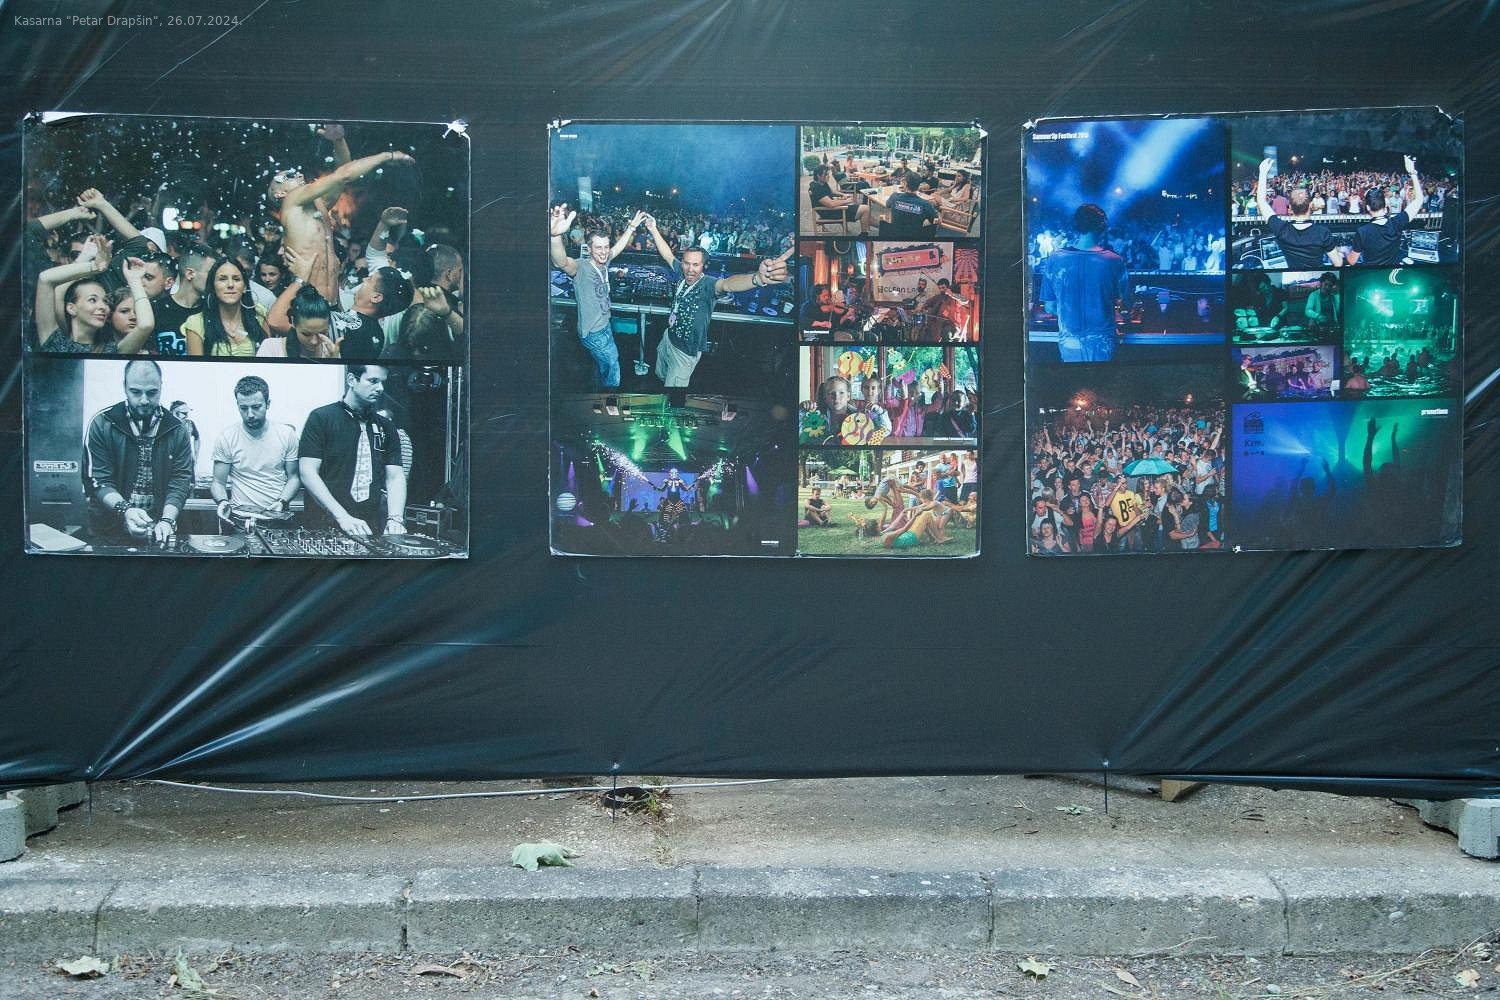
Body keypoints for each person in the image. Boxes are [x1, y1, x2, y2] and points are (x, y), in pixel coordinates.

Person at [268, 123, 414, 304]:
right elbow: (343, 175)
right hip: (309, 306)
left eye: (296, 172)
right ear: (280, 193)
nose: (297, 174)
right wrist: (387, 155)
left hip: (332, 303)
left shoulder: (318, 205)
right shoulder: (290, 202)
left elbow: (344, 170)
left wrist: (338, 141)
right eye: (289, 176)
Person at [644, 215, 791, 387]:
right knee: (660, 375)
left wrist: (757, 278)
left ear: (703, 266)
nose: (690, 269)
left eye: (696, 265)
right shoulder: (681, 272)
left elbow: (727, 284)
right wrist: (653, 229)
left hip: (684, 353)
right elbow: (668, 255)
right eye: (686, 263)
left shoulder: (708, 284)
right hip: (668, 339)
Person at [82, 360, 195, 545]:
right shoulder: (102, 423)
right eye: (135, 392)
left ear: (161, 387)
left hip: (159, 527)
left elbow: (181, 479)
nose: (144, 400)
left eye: (152, 393)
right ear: (124, 387)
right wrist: (126, 510)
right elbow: (98, 480)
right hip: (109, 531)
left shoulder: (177, 429)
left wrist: (167, 520)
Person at [298, 365, 408, 537]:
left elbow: (395, 476)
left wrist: (395, 519)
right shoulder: (321, 418)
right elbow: (308, 472)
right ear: (351, 380)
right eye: (373, 381)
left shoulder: (386, 426)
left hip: (370, 525)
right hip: (325, 523)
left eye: (382, 382)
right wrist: (342, 516)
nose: (380, 388)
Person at [548, 205, 648, 388]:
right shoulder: (581, 267)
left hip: (604, 326)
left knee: (602, 365)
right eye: (598, 248)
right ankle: (609, 397)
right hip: (593, 332)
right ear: (589, 249)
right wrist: (555, 237)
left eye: (605, 247)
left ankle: (598, 386)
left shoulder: (604, 260)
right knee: (612, 366)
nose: (603, 251)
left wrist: (632, 227)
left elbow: (618, 247)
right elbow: (561, 262)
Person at [1040, 204, 1130, 362]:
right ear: (1102, 226)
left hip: (1070, 343)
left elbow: (1050, 307)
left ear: (1077, 225)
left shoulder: (1054, 259)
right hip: (1103, 344)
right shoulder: (1114, 261)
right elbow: (1126, 301)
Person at [34, 243, 154, 355]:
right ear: (71, 308)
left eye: (105, 301)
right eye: (92, 300)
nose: (103, 307)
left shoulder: (112, 351)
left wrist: (135, 280)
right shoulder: (55, 342)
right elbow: (45, 279)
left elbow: (146, 325)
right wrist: (94, 266)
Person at [210, 375, 301, 519]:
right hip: (239, 519)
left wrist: (282, 502)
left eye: (256, 407)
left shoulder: (287, 434)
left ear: (267, 404)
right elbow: (218, 482)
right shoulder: (227, 437)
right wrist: (222, 502)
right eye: (243, 408)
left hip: (278, 516)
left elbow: (294, 478)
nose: (250, 414)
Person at [1256, 158, 1344, 270]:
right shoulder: (1323, 232)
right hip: (1318, 276)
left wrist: (1263, 172)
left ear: (1290, 208)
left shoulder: (1281, 229)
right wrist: (1340, 255)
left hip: (1292, 275)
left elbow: (1261, 202)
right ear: (1311, 205)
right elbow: (1338, 264)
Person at [183, 257, 269, 357]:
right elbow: (196, 366)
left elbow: (267, 362)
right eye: (222, 279)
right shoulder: (197, 323)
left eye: (236, 279)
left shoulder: (259, 315)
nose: (230, 285)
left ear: (245, 286)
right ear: (213, 286)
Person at [1348, 156, 1425, 266]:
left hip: (1372, 274)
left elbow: (1352, 261)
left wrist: (1345, 252)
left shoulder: (1362, 231)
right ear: (1386, 205)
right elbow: (1419, 200)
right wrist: (1412, 172)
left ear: (1368, 208)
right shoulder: (1397, 222)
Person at [259, 284, 340, 358]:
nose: (314, 341)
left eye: (322, 333)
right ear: (293, 322)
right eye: (306, 334)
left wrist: (334, 361)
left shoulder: (331, 352)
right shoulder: (271, 348)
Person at [808, 164, 870, 234]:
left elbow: (830, 191)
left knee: (866, 213)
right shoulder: (816, 188)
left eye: (828, 174)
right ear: (818, 176)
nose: (828, 176)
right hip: (831, 213)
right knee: (865, 209)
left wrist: (843, 194)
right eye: (825, 174)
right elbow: (831, 204)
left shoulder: (820, 183)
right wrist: (846, 201)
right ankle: (864, 235)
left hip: (833, 209)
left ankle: (879, 225)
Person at [882, 172, 938, 239]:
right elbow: (935, 220)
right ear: (918, 186)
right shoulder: (925, 204)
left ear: (905, 184)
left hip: (895, 237)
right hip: (915, 239)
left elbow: (887, 205)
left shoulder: (894, 197)